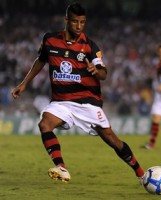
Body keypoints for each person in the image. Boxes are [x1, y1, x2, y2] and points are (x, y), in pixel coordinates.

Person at [11, 2, 144, 183]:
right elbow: (40, 61)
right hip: (61, 102)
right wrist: (24, 83)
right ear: (66, 20)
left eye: (82, 22)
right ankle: (61, 168)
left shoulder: (90, 46)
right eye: (75, 22)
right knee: (44, 124)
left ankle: (141, 174)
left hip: (87, 102)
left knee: (112, 139)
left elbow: (104, 73)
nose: (79, 26)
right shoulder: (50, 40)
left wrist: (96, 71)